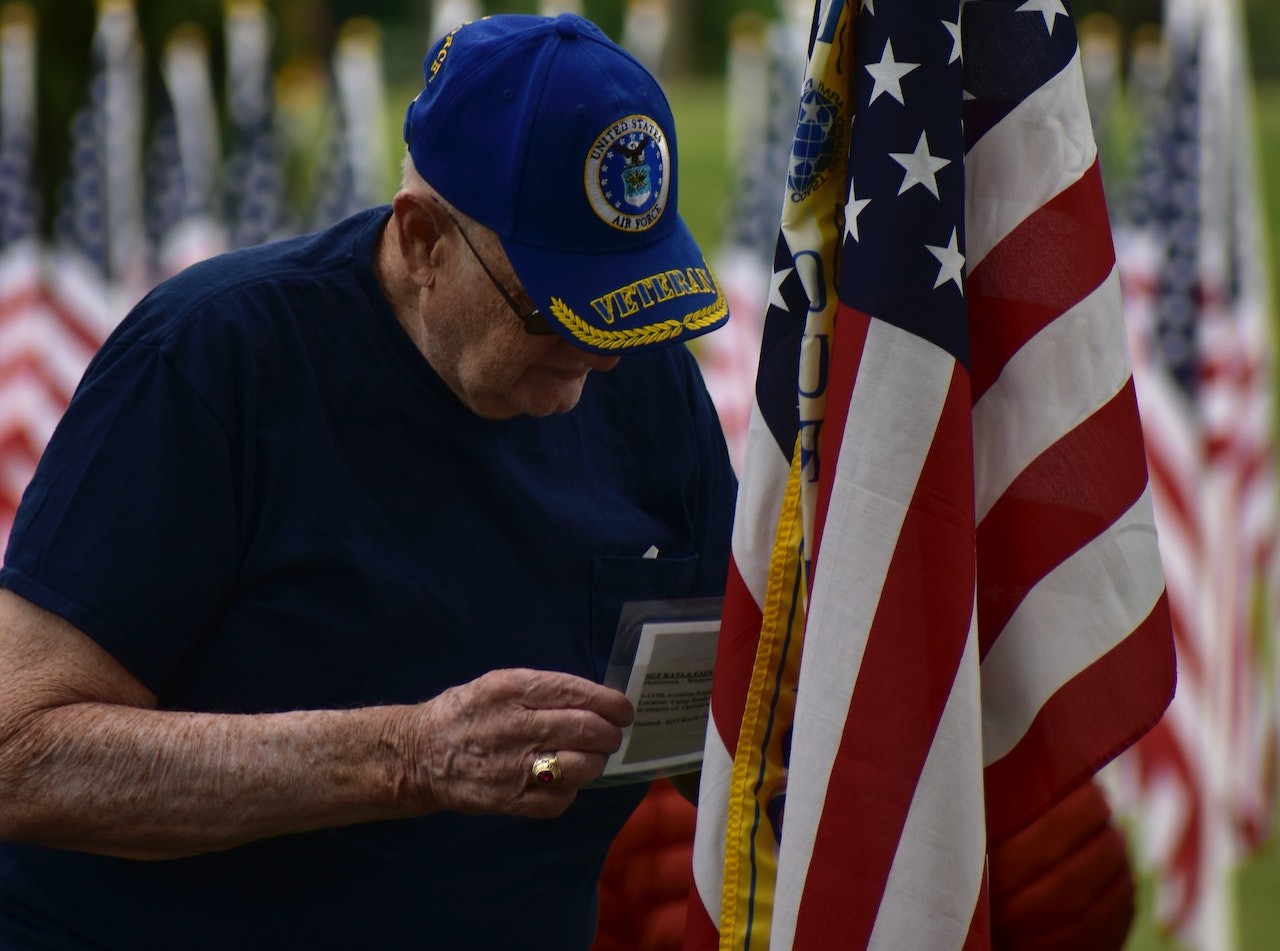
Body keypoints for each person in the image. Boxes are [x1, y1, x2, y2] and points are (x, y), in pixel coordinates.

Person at [0, 14, 735, 950]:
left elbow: (732, 699)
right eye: (554, 311)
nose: (597, 357)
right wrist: (407, 755)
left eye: (629, 304)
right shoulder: (214, 361)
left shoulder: (641, 374)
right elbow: (19, 754)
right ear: (422, 239)